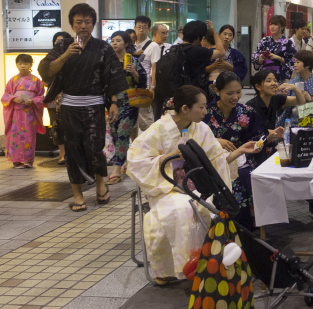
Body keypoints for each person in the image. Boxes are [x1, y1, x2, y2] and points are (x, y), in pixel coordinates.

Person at [127, 85, 260, 283]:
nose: (206, 112)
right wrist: (171, 157)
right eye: (201, 107)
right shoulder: (158, 130)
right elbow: (137, 161)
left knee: (205, 207)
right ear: (184, 108)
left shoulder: (201, 129)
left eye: (206, 107)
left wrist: (240, 151)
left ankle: (204, 263)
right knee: (180, 210)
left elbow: (216, 160)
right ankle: (173, 268)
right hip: (166, 187)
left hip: (197, 186)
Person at [39, 3, 128, 212]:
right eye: (79, 22)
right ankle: (78, 196)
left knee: (95, 149)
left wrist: (114, 102)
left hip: (94, 106)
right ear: (72, 24)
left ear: (93, 24)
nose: (83, 26)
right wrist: (65, 55)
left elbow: (113, 76)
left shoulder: (103, 47)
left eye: (87, 22)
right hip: (70, 107)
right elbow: (47, 71)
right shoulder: (63, 46)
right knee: (72, 150)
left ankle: (100, 186)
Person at [203, 72, 269, 229]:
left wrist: (260, 143)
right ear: (217, 90)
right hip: (213, 164)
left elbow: (260, 135)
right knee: (236, 181)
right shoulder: (205, 113)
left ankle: (250, 227)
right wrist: (215, 141)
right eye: (230, 93)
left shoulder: (247, 112)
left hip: (243, 160)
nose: (235, 97)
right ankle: (227, 228)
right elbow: (193, 138)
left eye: (238, 92)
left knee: (250, 175)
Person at [153, 20, 225, 116]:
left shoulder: (174, 49)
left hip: (172, 97)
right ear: (198, 37)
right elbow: (221, 52)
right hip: (190, 97)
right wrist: (214, 32)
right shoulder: (196, 51)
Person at [107, 31, 146, 185]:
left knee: (123, 133)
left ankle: (116, 169)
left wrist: (133, 72)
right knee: (115, 134)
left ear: (126, 44)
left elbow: (142, 81)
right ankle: (127, 161)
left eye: (118, 41)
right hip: (112, 103)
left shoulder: (132, 60)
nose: (115, 43)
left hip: (130, 102)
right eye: (113, 41)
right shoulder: (108, 62)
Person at [246, 69, 306, 154]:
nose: (274, 83)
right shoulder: (251, 106)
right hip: (255, 146)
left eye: (275, 80)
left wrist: (295, 88)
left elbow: (301, 102)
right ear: (258, 87)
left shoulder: (275, 99)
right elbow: (256, 131)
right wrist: (276, 132)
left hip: (271, 142)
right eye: (268, 81)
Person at [2, 54, 45, 169]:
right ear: (16, 65)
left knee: (29, 136)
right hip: (16, 112)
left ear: (31, 65)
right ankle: (17, 161)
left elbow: (41, 96)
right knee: (15, 135)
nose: (22, 66)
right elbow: (5, 96)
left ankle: (28, 160)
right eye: (20, 63)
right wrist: (14, 98)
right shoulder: (13, 80)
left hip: (30, 113)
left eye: (26, 63)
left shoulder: (36, 80)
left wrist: (33, 100)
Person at [280, 50, 313, 127]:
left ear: (307, 65)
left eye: (297, 62)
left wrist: (311, 99)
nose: (294, 65)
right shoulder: (291, 83)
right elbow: (283, 109)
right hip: (294, 123)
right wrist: (282, 98)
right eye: (294, 62)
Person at [46, 31, 71, 164]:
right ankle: (62, 153)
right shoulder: (50, 57)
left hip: (68, 97)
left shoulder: (73, 56)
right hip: (53, 97)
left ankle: (70, 152)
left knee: (68, 126)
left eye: (62, 41)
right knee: (55, 126)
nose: (58, 43)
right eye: (56, 41)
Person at [252, 15, 295, 82]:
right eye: (270, 24)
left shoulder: (288, 42)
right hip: (265, 74)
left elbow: (293, 60)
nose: (272, 27)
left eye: (275, 24)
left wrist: (278, 58)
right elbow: (255, 56)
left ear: (282, 27)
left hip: (280, 75)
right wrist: (260, 59)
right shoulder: (264, 41)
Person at [131, 15, 154, 131]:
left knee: (145, 121)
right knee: (132, 121)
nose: (141, 30)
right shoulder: (130, 46)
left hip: (145, 87)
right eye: (139, 27)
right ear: (134, 28)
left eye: (144, 27)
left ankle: (153, 145)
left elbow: (155, 68)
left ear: (149, 29)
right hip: (131, 88)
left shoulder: (153, 46)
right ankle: (135, 146)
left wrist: (152, 88)